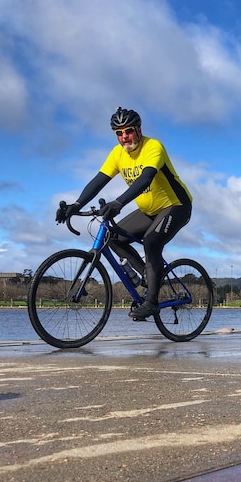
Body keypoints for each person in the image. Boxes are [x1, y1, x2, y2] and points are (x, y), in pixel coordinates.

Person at [56, 107, 193, 321]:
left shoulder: (152, 147)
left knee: (151, 242)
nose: (124, 137)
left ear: (138, 130)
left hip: (176, 206)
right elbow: (98, 180)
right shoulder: (118, 153)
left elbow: (146, 178)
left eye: (127, 131)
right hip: (149, 210)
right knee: (113, 237)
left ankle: (151, 303)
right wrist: (76, 204)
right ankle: (148, 276)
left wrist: (119, 202)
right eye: (119, 133)